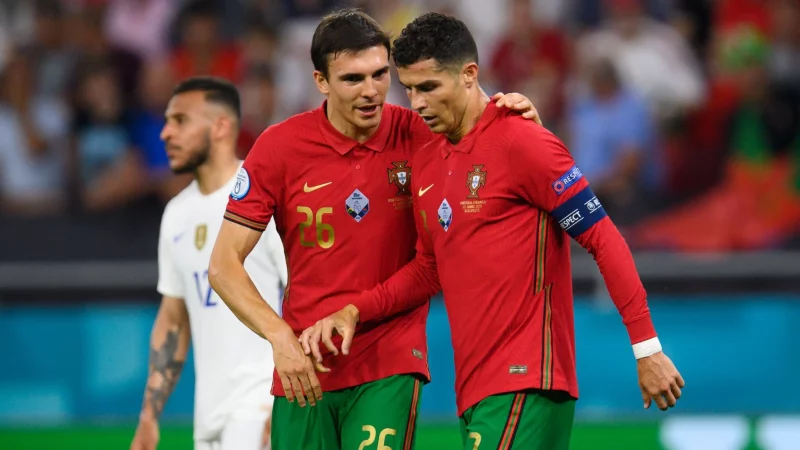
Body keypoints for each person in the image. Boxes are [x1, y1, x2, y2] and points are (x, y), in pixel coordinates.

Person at [300, 12, 685, 450]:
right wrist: (356, 311)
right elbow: (429, 269)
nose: (418, 103)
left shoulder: (524, 141)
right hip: (476, 391)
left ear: (469, 75)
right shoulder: (427, 160)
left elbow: (603, 238)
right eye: (408, 89)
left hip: (528, 379)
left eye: (429, 87)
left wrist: (646, 348)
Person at [207, 8, 540, 450]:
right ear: (320, 81)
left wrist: (524, 121)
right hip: (304, 366)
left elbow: (497, 145)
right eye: (352, 79)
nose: (371, 92)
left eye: (380, 75)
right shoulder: (277, 148)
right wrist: (280, 338)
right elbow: (223, 266)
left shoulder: (423, 135)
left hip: (390, 358)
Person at [130, 77, 287, 450]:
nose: (166, 133)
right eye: (167, 121)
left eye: (180, 121)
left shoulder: (264, 194)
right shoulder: (177, 214)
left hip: (260, 405)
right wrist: (149, 416)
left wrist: (282, 396)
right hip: (210, 417)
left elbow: (304, 291)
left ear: (220, 127)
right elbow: (173, 318)